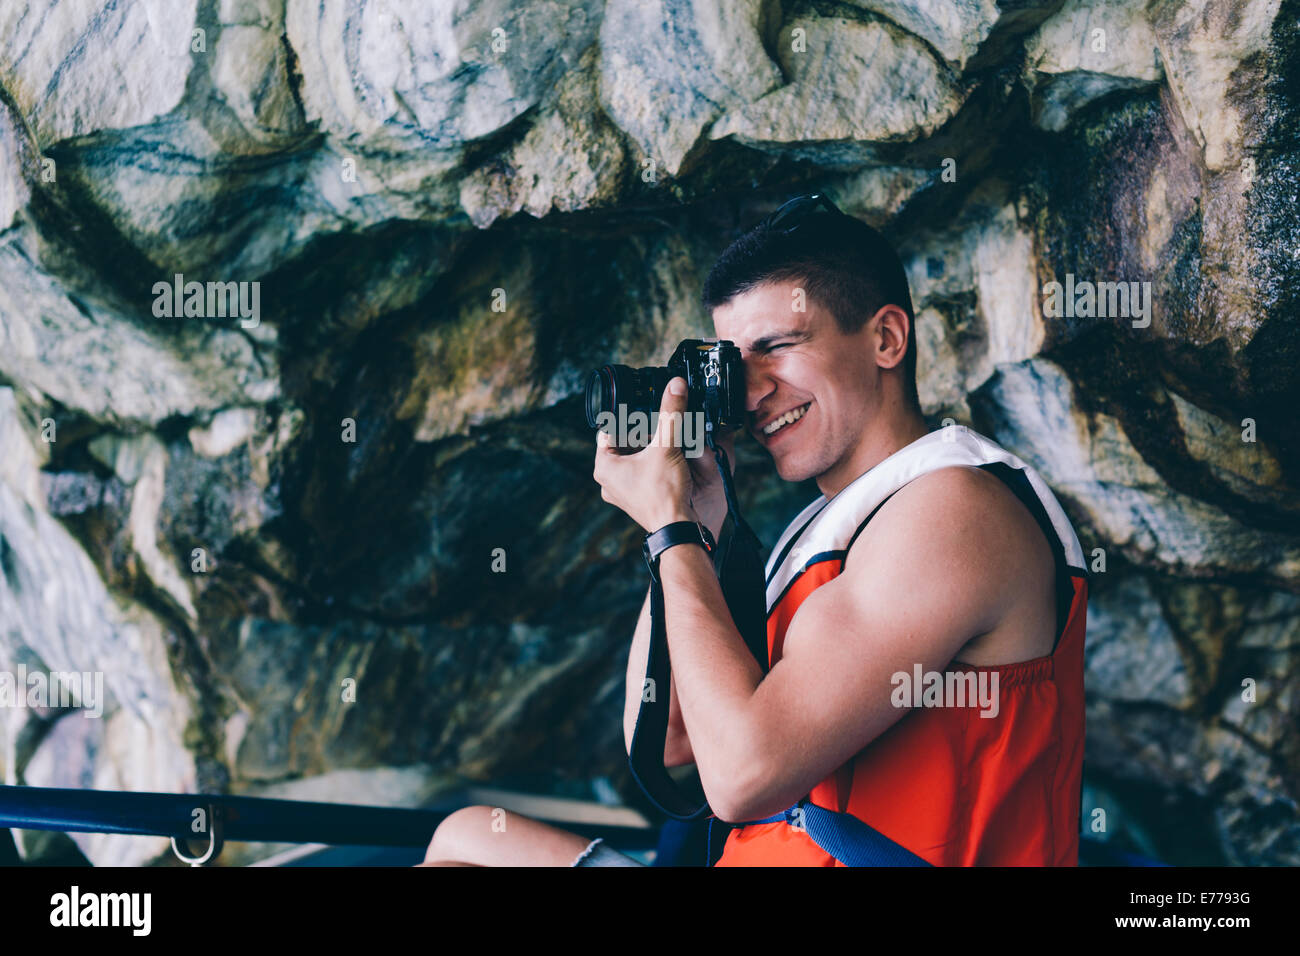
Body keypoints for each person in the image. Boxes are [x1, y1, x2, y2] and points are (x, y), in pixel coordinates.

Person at [421, 194, 1087, 867]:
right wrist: (697, 531)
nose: (753, 392)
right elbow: (675, 739)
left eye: (779, 347)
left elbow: (741, 778)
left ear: (886, 338)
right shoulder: (838, 524)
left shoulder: (953, 512)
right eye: (738, 365)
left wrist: (669, 529)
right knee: (467, 833)